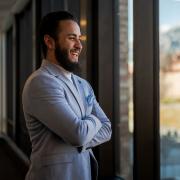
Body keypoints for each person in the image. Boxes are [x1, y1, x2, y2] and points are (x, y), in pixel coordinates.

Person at [22, 11, 112, 180]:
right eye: (72, 38)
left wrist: (84, 133)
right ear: (49, 42)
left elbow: (107, 128)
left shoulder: (83, 84)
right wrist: (94, 120)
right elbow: (77, 134)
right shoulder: (40, 82)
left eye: (79, 38)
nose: (79, 45)